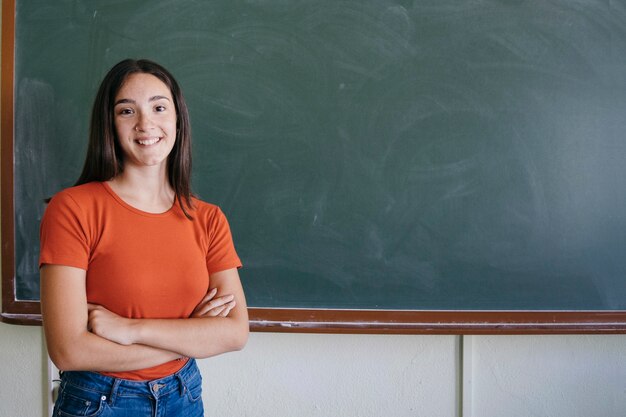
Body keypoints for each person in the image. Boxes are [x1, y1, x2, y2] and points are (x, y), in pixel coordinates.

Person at [39, 58, 249, 417]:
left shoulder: (208, 219)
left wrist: (128, 329)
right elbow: (69, 351)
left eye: (158, 107)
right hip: (100, 400)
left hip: (184, 396)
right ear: (109, 124)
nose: (145, 124)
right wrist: (189, 337)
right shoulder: (73, 209)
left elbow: (234, 332)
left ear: (177, 120)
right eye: (126, 111)